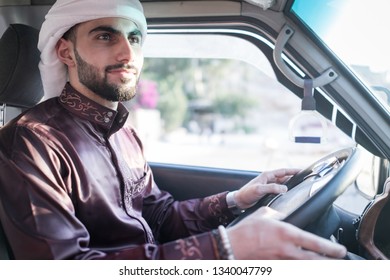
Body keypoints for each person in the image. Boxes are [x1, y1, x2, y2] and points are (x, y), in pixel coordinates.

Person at [0, 0, 347, 260]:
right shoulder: (31, 142)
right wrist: (222, 248)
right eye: (106, 36)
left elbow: (159, 217)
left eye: (135, 38)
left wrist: (234, 200)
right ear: (66, 51)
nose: (127, 53)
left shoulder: (125, 134)